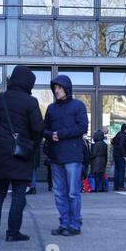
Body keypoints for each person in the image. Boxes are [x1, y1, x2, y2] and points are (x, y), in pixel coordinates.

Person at [0, 66, 44, 242]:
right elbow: (38, 129)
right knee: (19, 193)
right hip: (20, 154)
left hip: (2, 153)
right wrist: (33, 143)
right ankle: (12, 232)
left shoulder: (0, 98)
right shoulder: (30, 102)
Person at [44, 74, 88, 237]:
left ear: (67, 89)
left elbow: (83, 127)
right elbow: (44, 129)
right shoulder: (51, 108)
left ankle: (75, 225)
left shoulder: (78, 106)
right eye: (55, 88)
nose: (56, 90)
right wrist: (50, 135)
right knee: (59, 193)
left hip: (73, 156)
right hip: (56, 157)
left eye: (59, 87)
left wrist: (60, 134)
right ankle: (64, 224)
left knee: (72, 193)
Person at [112, 124, 126, 191]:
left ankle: (116, 186)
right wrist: (125, 155)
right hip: (120, 156)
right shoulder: (122, 136)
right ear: (125, 129)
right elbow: (121, 146)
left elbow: (114, 143)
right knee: (122, 170)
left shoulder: (118, 134)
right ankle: (121, 186)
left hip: (116, 155)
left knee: (117, 171)